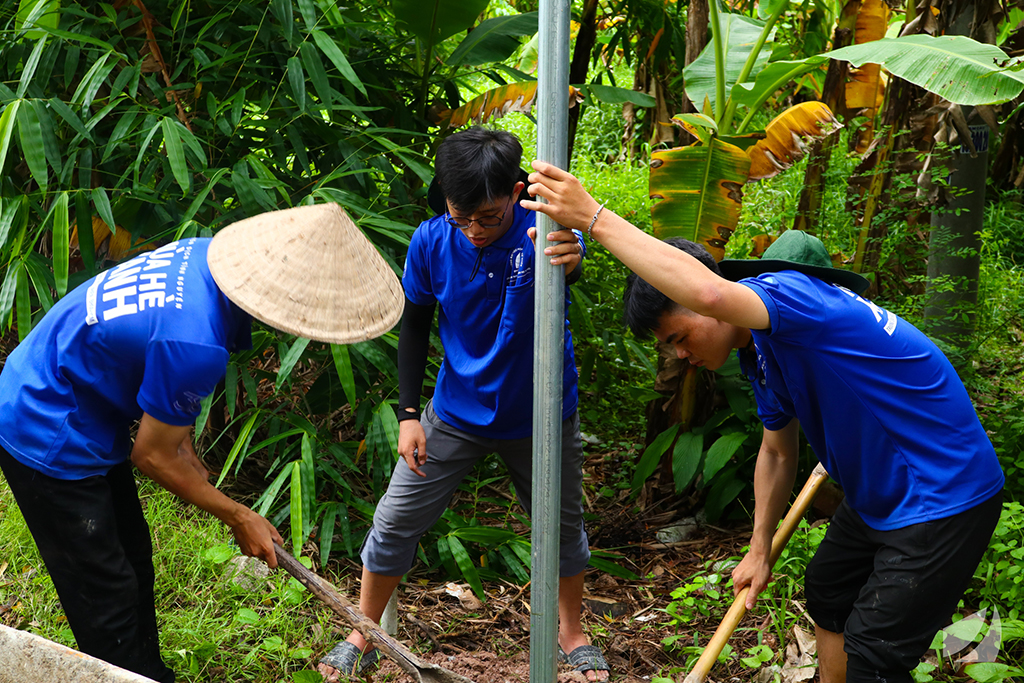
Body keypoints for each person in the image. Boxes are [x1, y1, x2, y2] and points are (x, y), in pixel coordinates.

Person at [521, 161, 1005, 683]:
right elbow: (777, 451)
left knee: (876, 652)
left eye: (679, 336)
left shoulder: (797, 295)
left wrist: (594, 217)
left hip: (943, 493)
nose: (680, 354)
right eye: (668, 347)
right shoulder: (762, 351)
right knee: (829, 588)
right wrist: (758, 550)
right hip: (885, 493)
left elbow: (708, 294)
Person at [0, 203, 404, 682]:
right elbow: (151, 454)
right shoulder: (196, 344)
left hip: (69, 387)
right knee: (103, 591)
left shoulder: (201, 255)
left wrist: (187, 456)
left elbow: (164, 401)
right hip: (46, 423)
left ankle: (146, 671)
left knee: (133, 560)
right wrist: (238, 515)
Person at [317, 128, 610, 682]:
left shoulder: (542, 229)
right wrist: (407, 416)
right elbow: (415, 327)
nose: (474, 230)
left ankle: (571, 635)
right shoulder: (431, 241)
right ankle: (364, 632)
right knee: (394, 519)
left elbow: (571, 263)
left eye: (488, 217)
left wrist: (571, 260)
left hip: (541, 414)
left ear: (517, 192)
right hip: (455, 412)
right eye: (462, 216)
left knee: (562, 528)